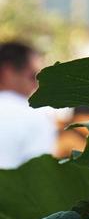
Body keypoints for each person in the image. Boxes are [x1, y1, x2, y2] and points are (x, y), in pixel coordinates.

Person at [0, 41, 57, 169]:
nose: (37, 84)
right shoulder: (35, 116)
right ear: (7, 72)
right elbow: (39, 174)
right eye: (33, 76)